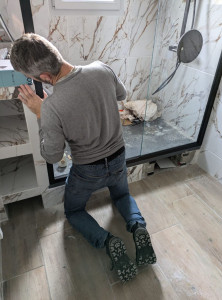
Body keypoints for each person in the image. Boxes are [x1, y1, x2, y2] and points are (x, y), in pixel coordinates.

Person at [10, 33, 157, 282]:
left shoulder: (52, 107)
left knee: (74, 210)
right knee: (121, 195)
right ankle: (138, 226)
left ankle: (108, 241)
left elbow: (52, 155)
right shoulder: (101, 68)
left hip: (89, 170)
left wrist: (41, 113)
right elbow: (121, 94)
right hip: (119, 155)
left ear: (44, 77)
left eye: (34, 78)